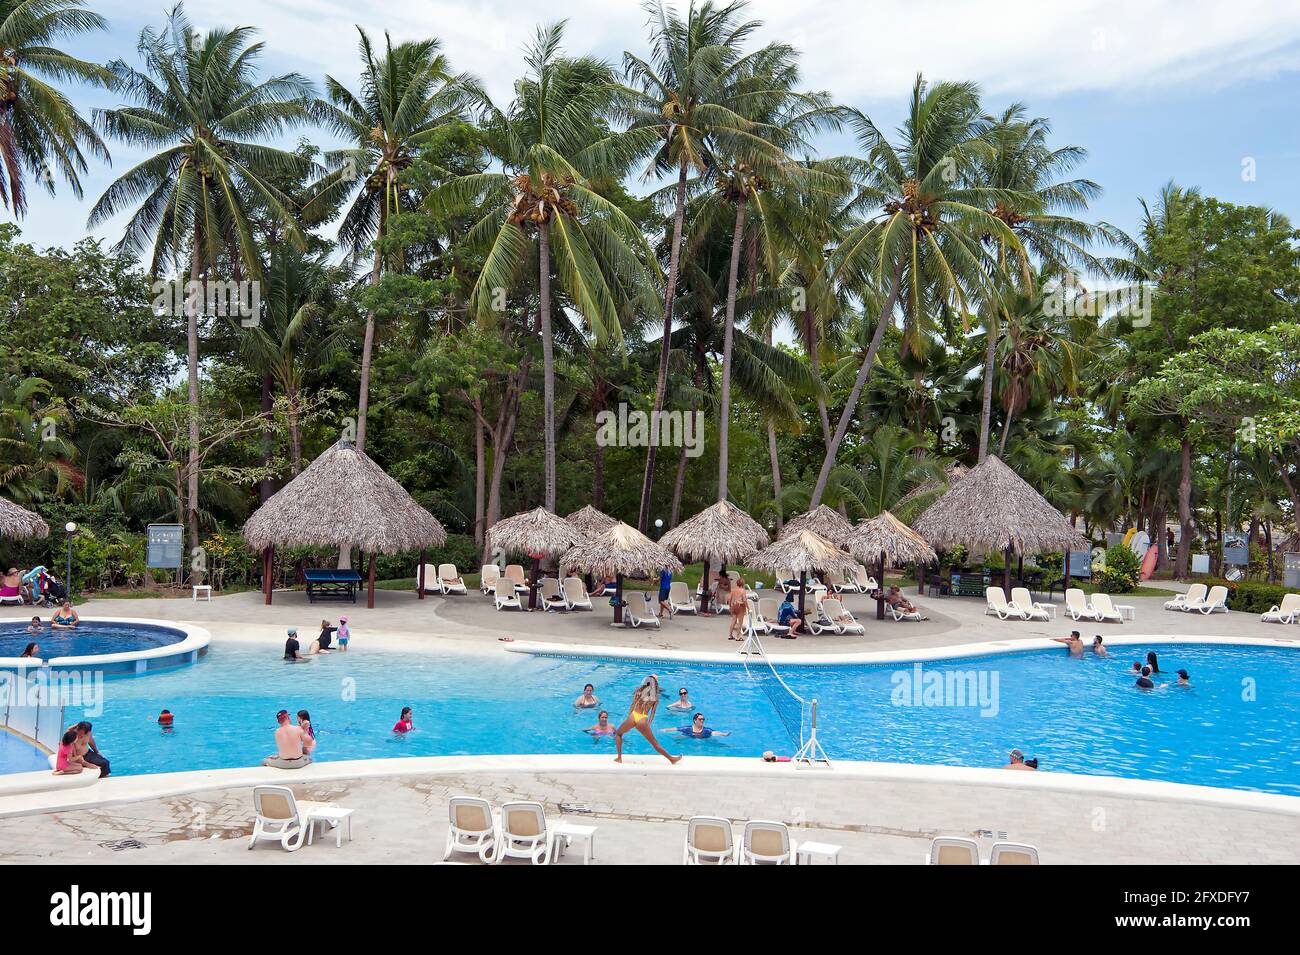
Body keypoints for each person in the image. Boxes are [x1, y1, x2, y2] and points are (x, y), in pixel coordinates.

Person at [614, 674, 681, 765]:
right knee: (655, 744)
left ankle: (619, 758)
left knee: (618, 734)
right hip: (643, 719)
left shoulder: (639, 690)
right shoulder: (656, 697)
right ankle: (671, 759)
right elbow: (653, 713)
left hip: (633, 716)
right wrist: (648, 723)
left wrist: (629, 718)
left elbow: (633, 705)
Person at [727, 577, 749, 641]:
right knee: (740, 622)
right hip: (740, 606)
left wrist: (730, 607)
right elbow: (744, 600)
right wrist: (748, 607)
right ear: (743, 584)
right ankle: (738, 636)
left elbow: (729, 599)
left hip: (733, 605)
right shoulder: (743, 591)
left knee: (733, 621)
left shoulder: (733, 590)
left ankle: (730, 635)